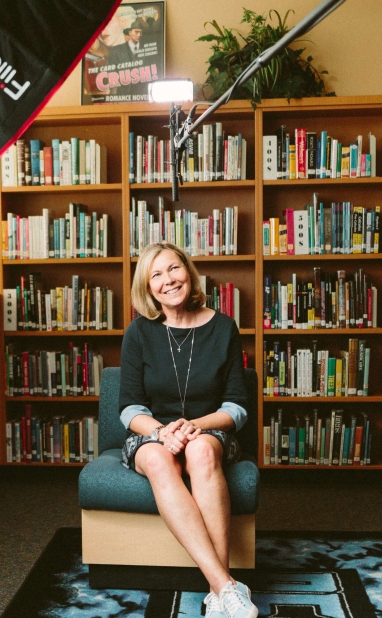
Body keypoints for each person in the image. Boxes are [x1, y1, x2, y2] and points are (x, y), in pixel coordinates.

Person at [119, 242, 257, 618]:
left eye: (174, 268)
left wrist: (195, 426)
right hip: (152, 433)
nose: (168, 280)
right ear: (148, 288)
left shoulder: (224, 327)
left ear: (188, 272)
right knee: (162, 461)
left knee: (198, 451)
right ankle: (226, 586)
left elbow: (236, 407)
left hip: (209, 431)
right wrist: (163, 432)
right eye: (157, 275)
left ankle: (218, 593)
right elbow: (129, 407)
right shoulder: (139, 332)